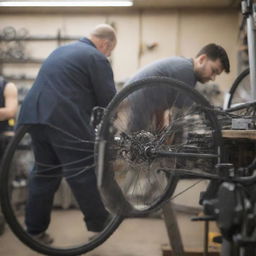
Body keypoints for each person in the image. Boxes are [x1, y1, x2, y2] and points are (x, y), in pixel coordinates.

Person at [17, 24, 117, 243]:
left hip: (33, 116)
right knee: (81, 170)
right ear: (105, 43)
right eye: (110, 51)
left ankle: (34, 231)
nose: (108, 55)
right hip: (62, 118)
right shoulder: (96, 57)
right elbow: (109, 101)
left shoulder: (61, 50)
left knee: (45, 173)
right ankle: (99, 225)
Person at [124, 43, 230, 131]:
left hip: (139, 95)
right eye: (213, 71)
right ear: (202, 59)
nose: (213, 78)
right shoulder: (187, 72)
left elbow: (165, 106)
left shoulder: (186, 68)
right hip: (138, 95)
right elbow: (179, 113)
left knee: (149, 139)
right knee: (137, 144)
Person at [0, 76, 18, 235]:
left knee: (4, 184)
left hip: (4, 141)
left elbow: (10, 111)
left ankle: (2, 222)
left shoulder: (7, 86)